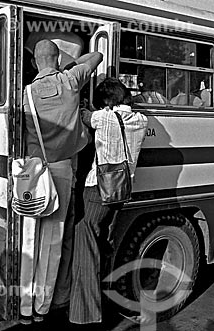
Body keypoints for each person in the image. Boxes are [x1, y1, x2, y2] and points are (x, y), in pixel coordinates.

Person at [19, 39, 103, 325]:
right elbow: (98, 55)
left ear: (34, 63)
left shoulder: (25, 94)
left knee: (29, 238)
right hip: (62, 170)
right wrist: (67, 64)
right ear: (55, 59)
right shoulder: (71, 80)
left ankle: (25, 307)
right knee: (54, 239)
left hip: (32, 171)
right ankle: (43, 307)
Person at [69, 77, 148, 327]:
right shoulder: (141, 121)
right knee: (105, 244)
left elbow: (82, 115)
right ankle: (107, 301)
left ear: (106, 102)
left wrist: (85, 105)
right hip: (122, 191)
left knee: (86, 245)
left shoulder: (102, 118)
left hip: (98, 191)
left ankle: (87, 314)